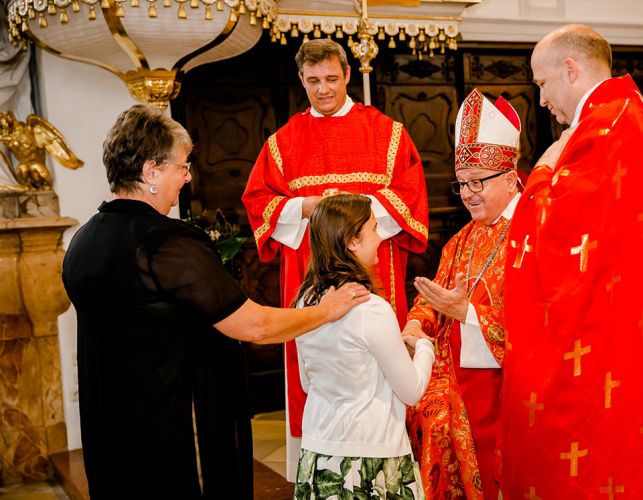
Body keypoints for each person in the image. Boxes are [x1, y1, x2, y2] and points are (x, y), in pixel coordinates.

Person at [62, 104, 369, 499]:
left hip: (110, 429)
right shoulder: (165, 243)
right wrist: (326, 311)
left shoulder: (83, 240)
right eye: (181, 166)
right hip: (171, 429)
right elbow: (255, 326)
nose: (188, 176)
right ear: (151, 172)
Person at [499, 24, 643, 498]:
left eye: (542, 84)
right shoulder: (617, 113)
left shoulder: (606, 123)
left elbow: (557, 226)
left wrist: (541, 170)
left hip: (598, 328)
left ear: (571, 69)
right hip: (609, 314)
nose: (541, 100)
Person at [242, 38, 428, 474]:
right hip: (311, 276)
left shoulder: (386, 133)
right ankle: (319, 462)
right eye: (313, 81)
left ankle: (389, 458)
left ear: (347, 75)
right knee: (315, 367)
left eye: (331, 78)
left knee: (382, 359)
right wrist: (305, 207)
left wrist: (349, 215)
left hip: (371, 271)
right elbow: (258, 201)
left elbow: (410, 193)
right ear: (301, 80)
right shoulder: (283, 141)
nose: (323, 89)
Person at [402, 88, 521, 499]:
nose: (468, 193)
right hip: (454, 375)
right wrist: (416, 323)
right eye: (462, 183)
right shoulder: (461, 240)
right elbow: (434, 299)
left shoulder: (532, 234)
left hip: (506, 385)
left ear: (510, 179)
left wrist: (468, 312)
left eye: (477, 182)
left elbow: (541, 325)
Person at [293, 194, 434, 498]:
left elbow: (307, 381)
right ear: (352, 241)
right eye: (374, 228)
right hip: (372, 454)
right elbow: (411, 391)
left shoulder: (305, 302)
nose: (380, 237)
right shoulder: (370, 308)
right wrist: (424, 348)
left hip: (319, 450)